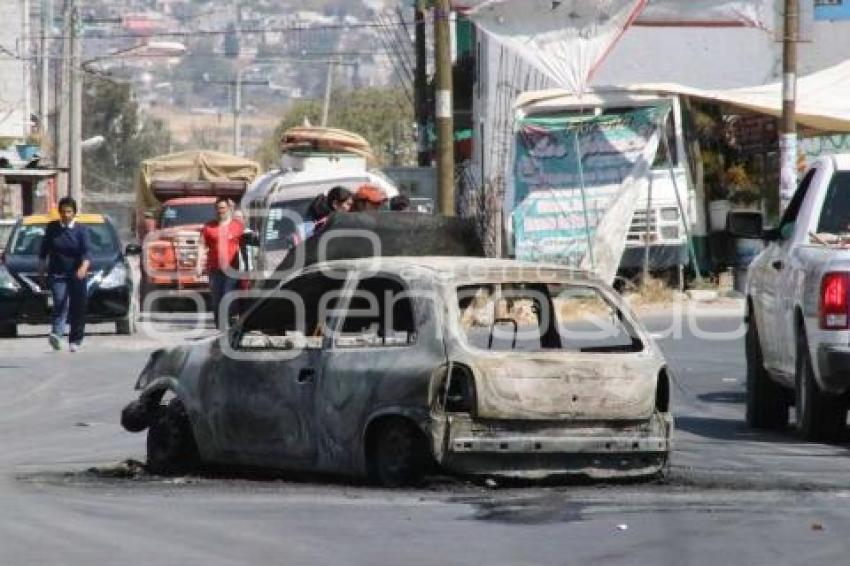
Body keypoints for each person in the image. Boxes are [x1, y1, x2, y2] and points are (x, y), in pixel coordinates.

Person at [38, 197, 91, 352]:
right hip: (57, 274)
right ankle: (57, 334)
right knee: (60, 302)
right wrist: (41, 272)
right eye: (63, 211)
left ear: (74, 212)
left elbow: (87, 252)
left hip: (77, 275)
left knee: (77, 307)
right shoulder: (52, 228)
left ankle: (75, 340)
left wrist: (84, 267)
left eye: (69, 211)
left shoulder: (81, 230)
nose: (66, 214)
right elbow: (43, 252)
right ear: (59, 212)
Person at [202, 196, 244, 329]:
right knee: (216, 300)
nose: (220, 211)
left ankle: (230, 326)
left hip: (232, 269)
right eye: (217, 208)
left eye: (222, 208)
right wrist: (198, 266)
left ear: (228, 209)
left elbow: (245, 245)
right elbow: (201, 246)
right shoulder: (209, 227)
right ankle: (220, 328)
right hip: (215, 270)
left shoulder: (238, 226)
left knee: (228, 296)